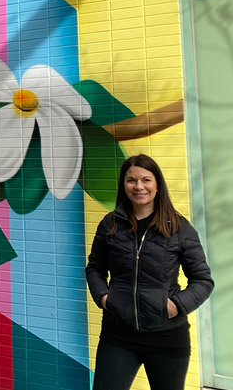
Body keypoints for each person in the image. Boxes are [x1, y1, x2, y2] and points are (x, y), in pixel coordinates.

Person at [86, 154, 213, 390]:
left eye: (146, 179)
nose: (139, 186)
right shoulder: (110, 225)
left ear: (157, 185)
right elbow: (94, 267)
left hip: (167, 335)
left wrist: (176, 305)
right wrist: (104, 297)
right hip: (118, 334)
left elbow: (203, 280)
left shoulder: (178, 228)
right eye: (131, 180)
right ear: (124, 185)